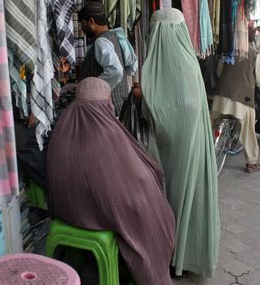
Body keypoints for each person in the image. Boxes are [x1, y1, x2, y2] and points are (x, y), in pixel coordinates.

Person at [46, 78, 176, 285]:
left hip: (65, 210)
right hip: (95, 213)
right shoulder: (106, 131)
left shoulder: (62, 126)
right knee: (154, 210)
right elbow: (130, 183)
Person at [141, 8, 219, 278]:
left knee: (173, 198)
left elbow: (162, 110)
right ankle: (184, 256)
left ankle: (174, 255)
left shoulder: (160, 67)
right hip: (191, 148)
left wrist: (143, 97)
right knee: (189, 198)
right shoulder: (189, 62)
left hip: (172, 152)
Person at [212, 26, 260, 172]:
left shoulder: (228, 51)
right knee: (248, 130)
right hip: (243, 98)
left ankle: (206, 152)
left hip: (221, 94)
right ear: (251, 38)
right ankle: (251, 162)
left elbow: (219, 71)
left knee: (212, 125)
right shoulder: (255, 54)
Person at [78, 1, 137, 115]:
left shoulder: (101, 42)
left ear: (91, 21)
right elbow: (132, 67)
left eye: (83, 24)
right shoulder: (115, 36)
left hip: (106, 109)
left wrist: (93, 89)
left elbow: (116, 71)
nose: (81, 29)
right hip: (116, 106)